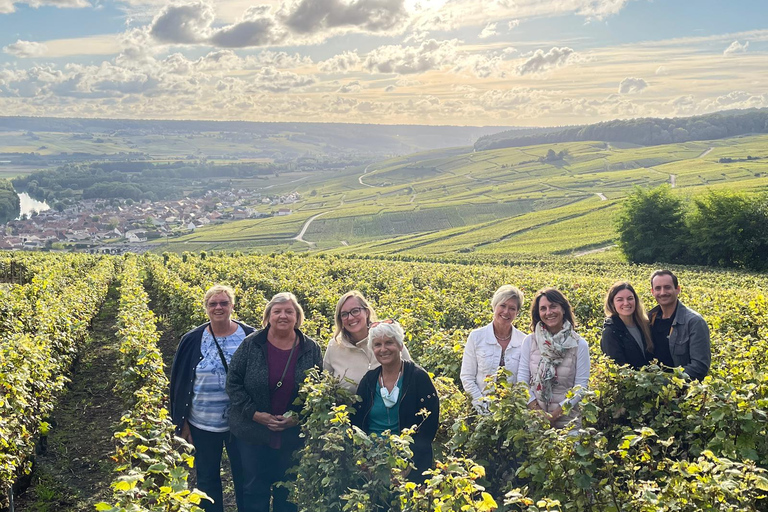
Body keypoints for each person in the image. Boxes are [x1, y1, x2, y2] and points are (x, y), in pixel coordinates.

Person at [226, 292, 323, 512]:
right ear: (268, 316)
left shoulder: (311, 348)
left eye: (289, 311)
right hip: (253, 433)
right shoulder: (251, 344)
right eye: (277, 311)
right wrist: (254, 414)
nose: (283, 316)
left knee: (287, 492)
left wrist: (297, 418)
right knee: (254, 488)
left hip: (291, 436)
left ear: (297, 317)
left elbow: (318, 390)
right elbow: (233, 383)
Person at [170, 284, 255, 512]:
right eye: (213, 303)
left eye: (224, 303)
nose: (218, 307)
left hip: (242, 424)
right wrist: (182, 422)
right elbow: (178, 382)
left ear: (232, 306)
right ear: (206, 308)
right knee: (207, 479)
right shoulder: (191, 339)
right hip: (202, 423)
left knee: (246, 477)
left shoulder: (251, 336)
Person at [352, 320, 439, 483]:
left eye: (389, 343)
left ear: (400, 345)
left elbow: (428, 426)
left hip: (411, 463)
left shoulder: (418, 378)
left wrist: (407, 466)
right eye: (377, 344)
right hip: (372, 463)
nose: (383, 349)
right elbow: (356, 423)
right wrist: (365, 462)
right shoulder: (369, 381)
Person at [517, 288, 590, 429]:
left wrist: (554, 415)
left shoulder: (579, 344)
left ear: (563, 309)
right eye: (543, 308)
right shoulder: (530, 341)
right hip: (534, 421)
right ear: (538, 313)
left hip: (568, 423)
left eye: (553, 306)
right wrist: (538, 412)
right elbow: (522, 381)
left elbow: (580, 387)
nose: (548, 312)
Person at [323, 290, 411, 392]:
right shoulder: (334, 346)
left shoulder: (388, 338)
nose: (350, 317)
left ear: (367, 312)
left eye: (355, 311)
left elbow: (411, 375)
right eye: (344, 314)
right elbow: (325, 387)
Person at [460, 285, 527, 412]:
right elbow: (467, 377)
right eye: (502, 305)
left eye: (512, 308)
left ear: (517, 313)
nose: (506, 312)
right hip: (478, 411)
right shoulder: (476, 337)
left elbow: (524, 381)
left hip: (512, 413)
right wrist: (482, 407)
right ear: (494, 306)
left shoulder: (524, 341)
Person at [648, 269, 710, 380]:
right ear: (652, 292)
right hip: (651, 389)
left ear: (677, 290)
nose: (662, 292)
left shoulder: (694, 322)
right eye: (658, 288)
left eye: (667, 287)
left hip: (682, 393)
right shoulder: (649, 319)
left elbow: (699, 367)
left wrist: (667, 383)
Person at [600, 281, 653, 369]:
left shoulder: (645, 325)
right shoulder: (610, 332)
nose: (626, 303)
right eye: (620, 299)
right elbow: (618, 367)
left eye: (630, 298)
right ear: (612, 303)